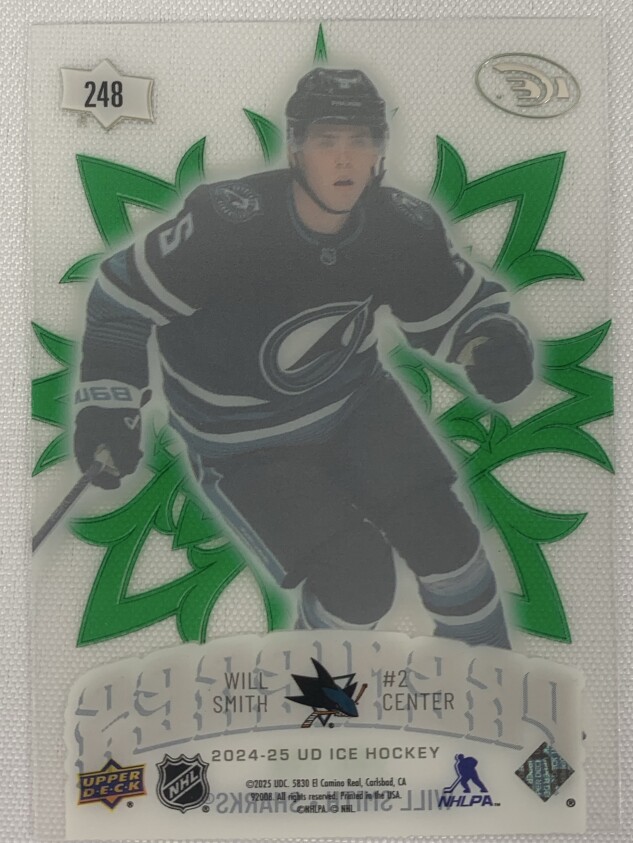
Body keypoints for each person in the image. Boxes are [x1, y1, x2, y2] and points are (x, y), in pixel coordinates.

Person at [74, 68, 533, 647]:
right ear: (295, 148)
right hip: (245, 441)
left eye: (361, 140)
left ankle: (489, 677)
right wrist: (108, 405)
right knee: (356, 581)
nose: (344, 159)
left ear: (380, 150)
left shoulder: (399, 226)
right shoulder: (228, 225)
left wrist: (495, 346)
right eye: (326, 140)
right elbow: (121, 299)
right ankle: (315, 689)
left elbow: (457, 311)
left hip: (356, 404)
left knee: (449, 543)